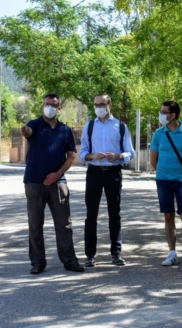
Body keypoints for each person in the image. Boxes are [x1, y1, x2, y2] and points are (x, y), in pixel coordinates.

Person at [20, 93, 84, 275]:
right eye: (47, 104)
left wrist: (57, 175)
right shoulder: (34, 125)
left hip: (58, 184)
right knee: (35, 224)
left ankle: (70, 261)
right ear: (43, 106)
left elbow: (71, 156)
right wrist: (25, 131)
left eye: (53, 105)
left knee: (64, 225)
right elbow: (28, 132)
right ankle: (38, 262)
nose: (50, 107)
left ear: (59, 108)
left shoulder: (65, 130)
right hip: (34, 182)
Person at [80, 93, 136, 267]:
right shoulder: (89, 127)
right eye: (96, 105)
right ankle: (90, 255)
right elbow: (82, 154)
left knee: (114, 214)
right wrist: (92, 156)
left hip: (113, 173)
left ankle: (116, 253)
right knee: (91, 215)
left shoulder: (120, 126)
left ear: (110, 105)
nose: (98, 108)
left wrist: (119, 156)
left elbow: (130, 152)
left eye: (102, 104)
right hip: (94, 172)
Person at [150, 100, 182, 267]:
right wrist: (164, 172)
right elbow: (153, 159)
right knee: (168, 215)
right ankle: (172, 253)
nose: (161, 114)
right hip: (163, 181)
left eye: (164, 112)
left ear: (173, 115)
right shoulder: (158, 133)